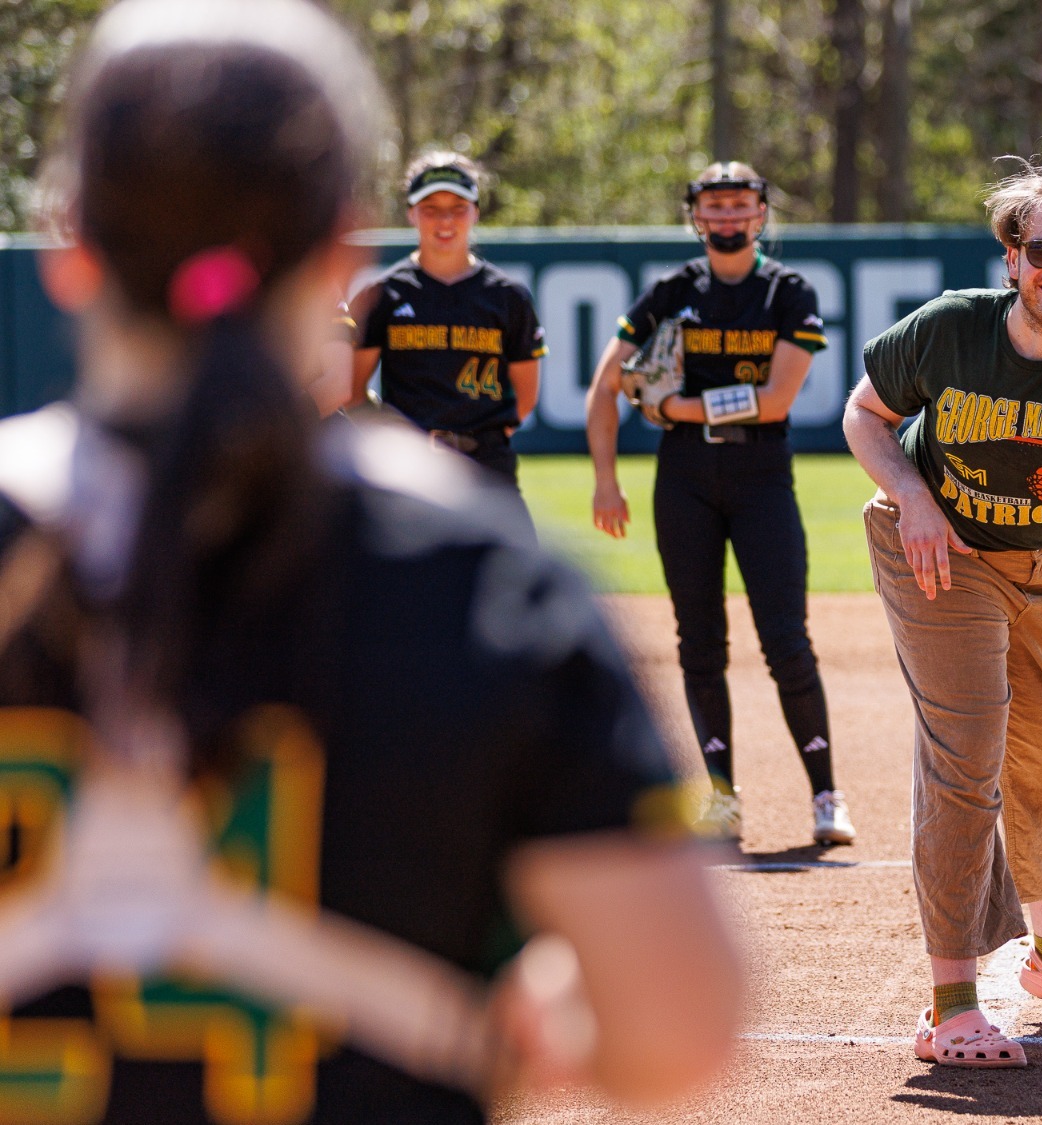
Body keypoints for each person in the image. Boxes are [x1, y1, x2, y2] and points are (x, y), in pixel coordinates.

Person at [0, 2, 743, 1121]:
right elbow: (678, 1032)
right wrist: (534, 1003)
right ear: (339, 245)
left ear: (75, 246)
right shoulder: (479, 573)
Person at [842, 154, 1042, 1068]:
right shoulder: (950, 329)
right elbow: (863, 415)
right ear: (1012, 258)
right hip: (938, 550)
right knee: (969, 749)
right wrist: (910, 494)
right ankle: (952, 1002)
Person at [583, 163, 852, 847]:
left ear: (761, 214)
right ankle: (722, 797)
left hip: (762, 473)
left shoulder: (789, 291)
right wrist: (606, 481)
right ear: (694, 216)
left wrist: (675, 404)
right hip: (686, 478)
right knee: (698, 645)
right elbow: (606, 382)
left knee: (786, 641)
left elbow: (777, 398)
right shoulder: (672, 292)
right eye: (715, 206)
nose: (728, 218)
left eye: (740, 205)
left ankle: (826, 795)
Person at [347, 151, 545, 534]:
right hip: (409, 465)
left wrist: (480, 434)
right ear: (411, 213)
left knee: (507, 581)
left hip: (487, 464)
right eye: (431, 208)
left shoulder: (507, 297)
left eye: (457, 207)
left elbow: (526, 397)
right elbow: (354, 391)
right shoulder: (385, 295)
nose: (445, 220)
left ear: (475, 212)